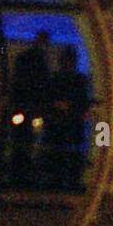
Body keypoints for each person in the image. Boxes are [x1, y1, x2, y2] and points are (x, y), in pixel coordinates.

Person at [42, 45, 90, 191]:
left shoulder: (55, 79)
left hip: (60, 125)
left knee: (59, 154)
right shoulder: (79, 80)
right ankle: (67, 181)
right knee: (67, 154)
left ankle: (58, 181)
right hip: (69, 126)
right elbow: (84, 101)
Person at [9, 30, 51, 187]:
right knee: (27, 140)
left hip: (23, 108)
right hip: (29, 108)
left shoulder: (25, 59)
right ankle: (23, 170)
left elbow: (17, 82)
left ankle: (19, 170)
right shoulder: (39, 62)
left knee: (20, 140)